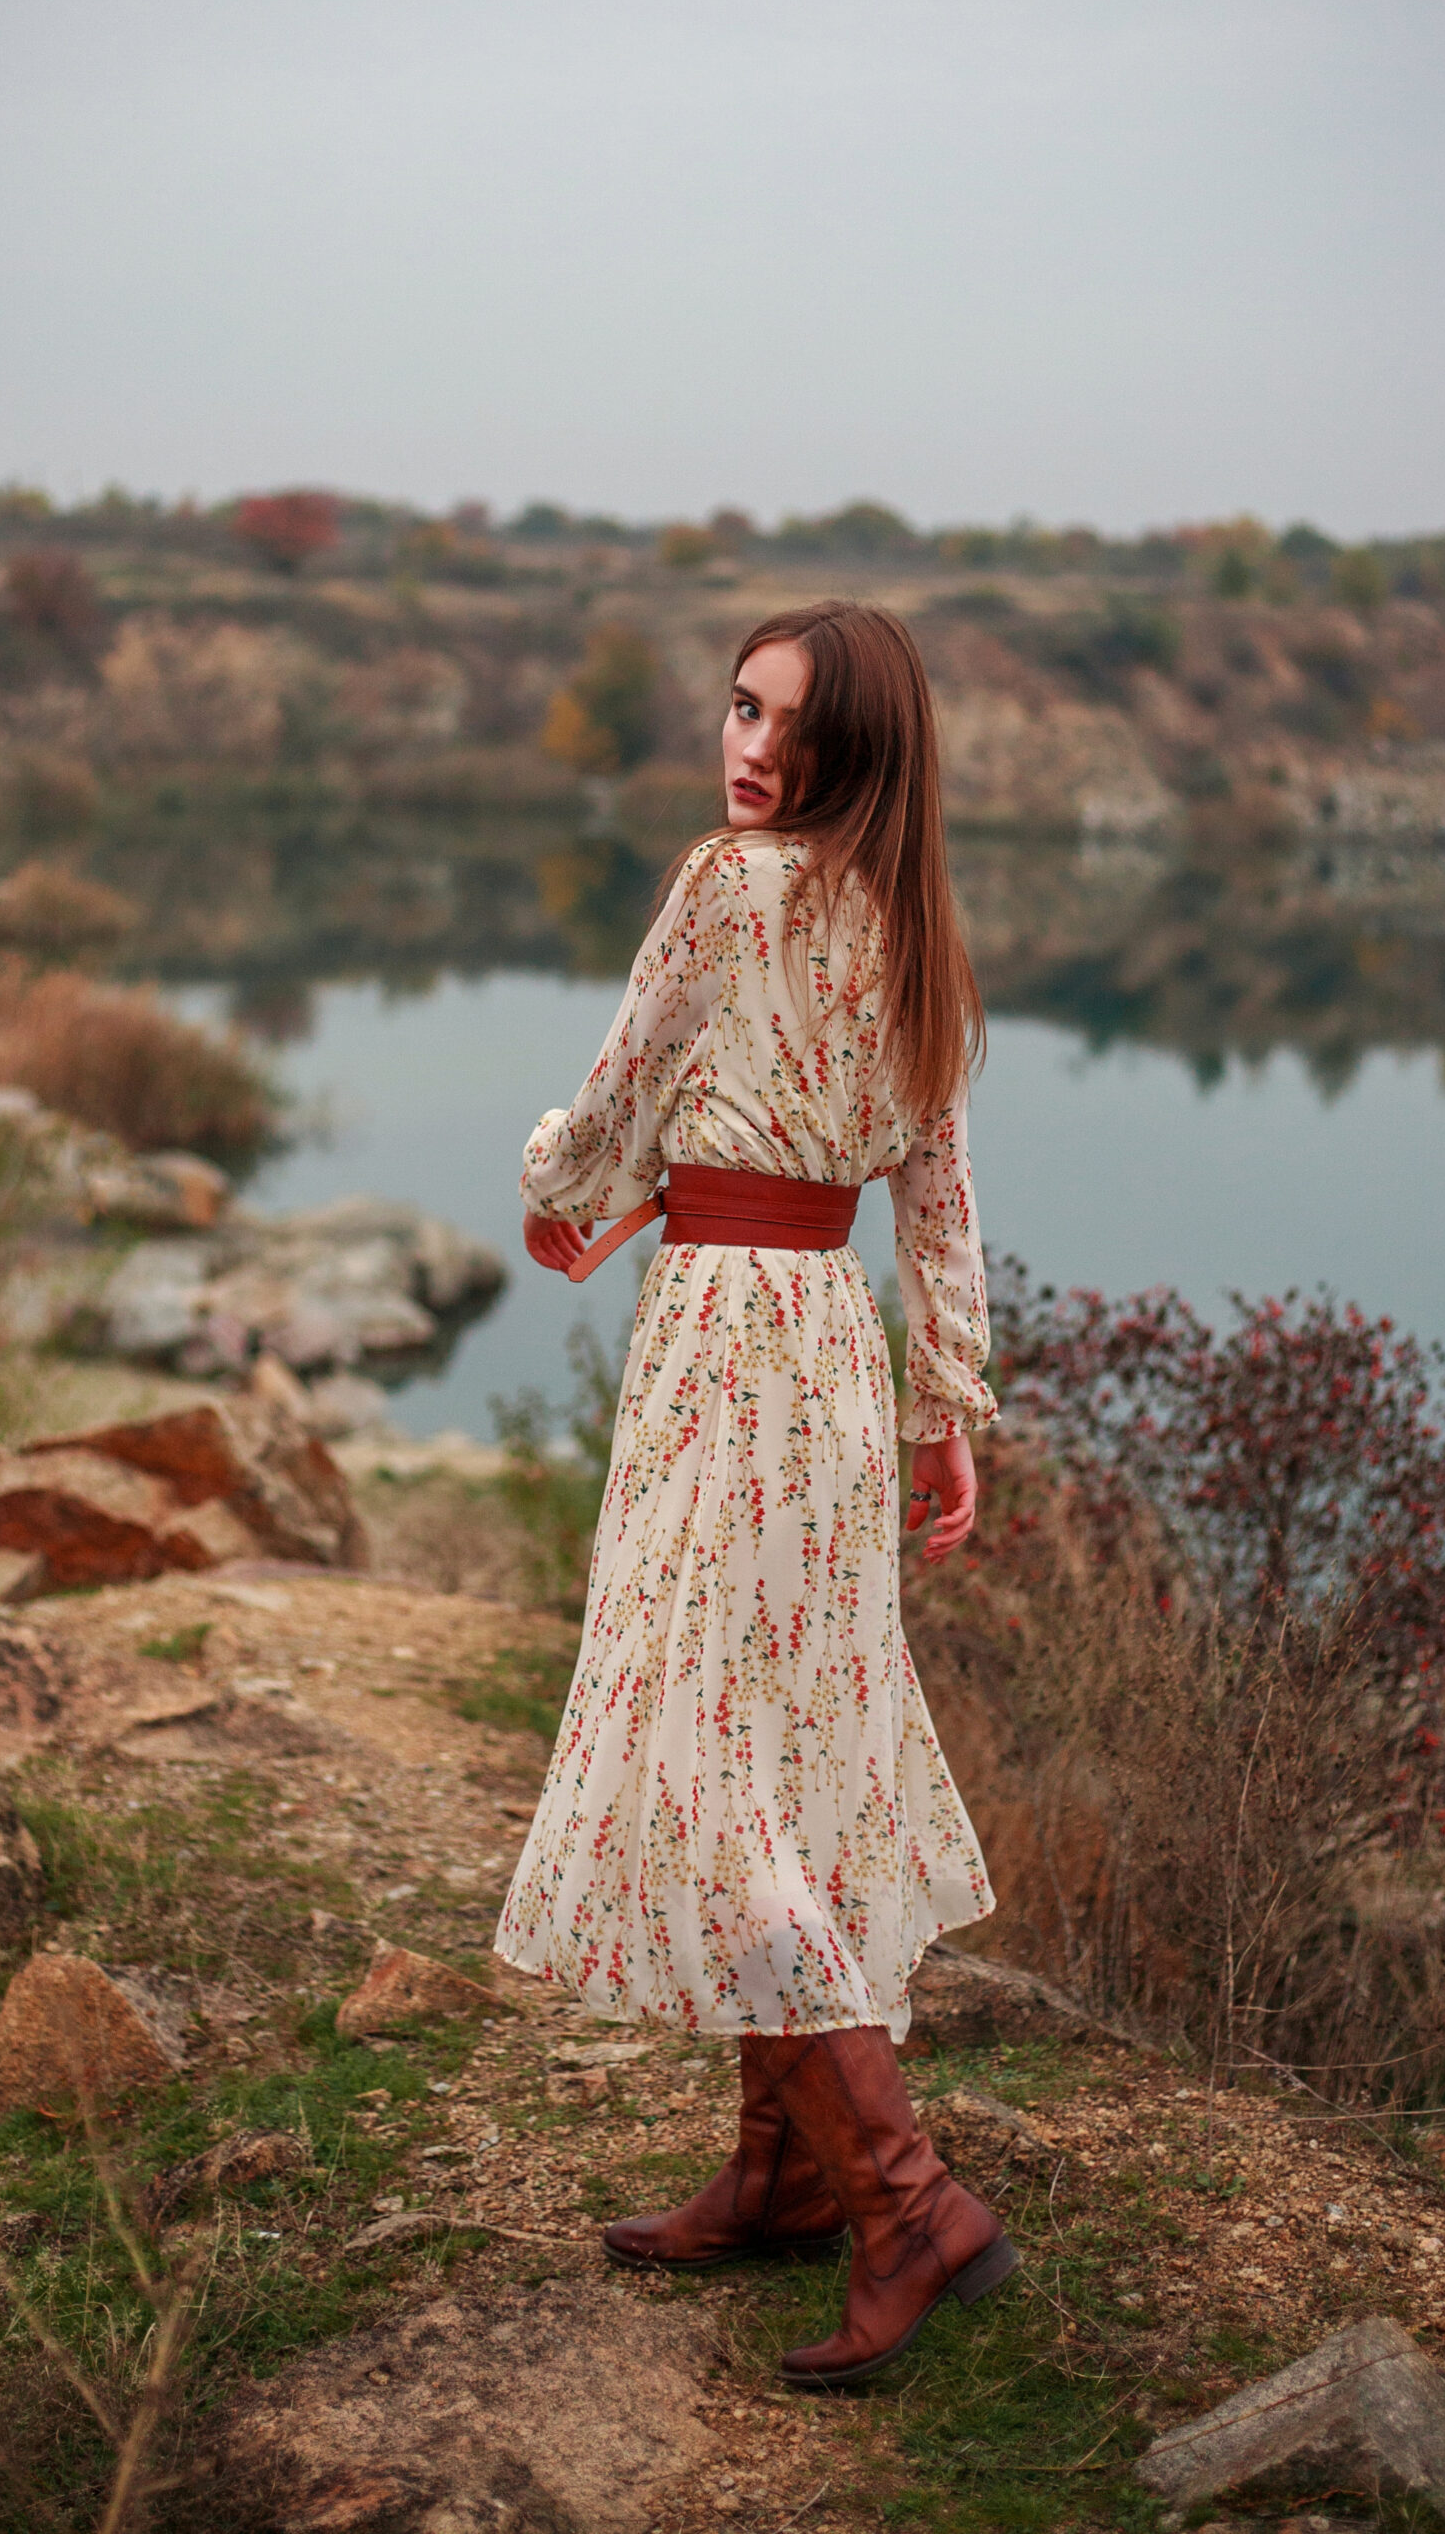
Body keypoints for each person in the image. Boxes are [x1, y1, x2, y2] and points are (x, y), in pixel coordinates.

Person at [494, 600, 1015, 2388]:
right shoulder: (919, 924)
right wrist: (950, 1401)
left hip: (725, 1338)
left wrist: (556, 1184)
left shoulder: (732, 883)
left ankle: (904, 2195)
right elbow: (937, 1187)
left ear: (853, 751)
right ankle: (781, 2170)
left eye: (790, 723)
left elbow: (624, 1083)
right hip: (833, 1355)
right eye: (739, 707)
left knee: (703, 1771)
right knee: (767, 1748)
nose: (751, 746)